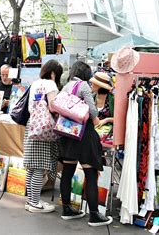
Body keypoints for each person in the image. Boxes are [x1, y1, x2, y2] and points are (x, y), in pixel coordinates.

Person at [58, 61, 113, 226]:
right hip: (84, 134)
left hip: (67, 133)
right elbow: (93, 110)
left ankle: (67, 209)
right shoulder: (83, 86)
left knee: (67, 172)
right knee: (90, 174)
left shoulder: (66, 86)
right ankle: (94, 214)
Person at [23, 59, 63, 213]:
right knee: (40, 167)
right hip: (45, 128)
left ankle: (31, 201)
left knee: (32, 167)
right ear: (53, 73)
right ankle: (35, 203)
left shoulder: (35, 83)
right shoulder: (51, 84)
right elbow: (53, 106)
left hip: (32, 125)